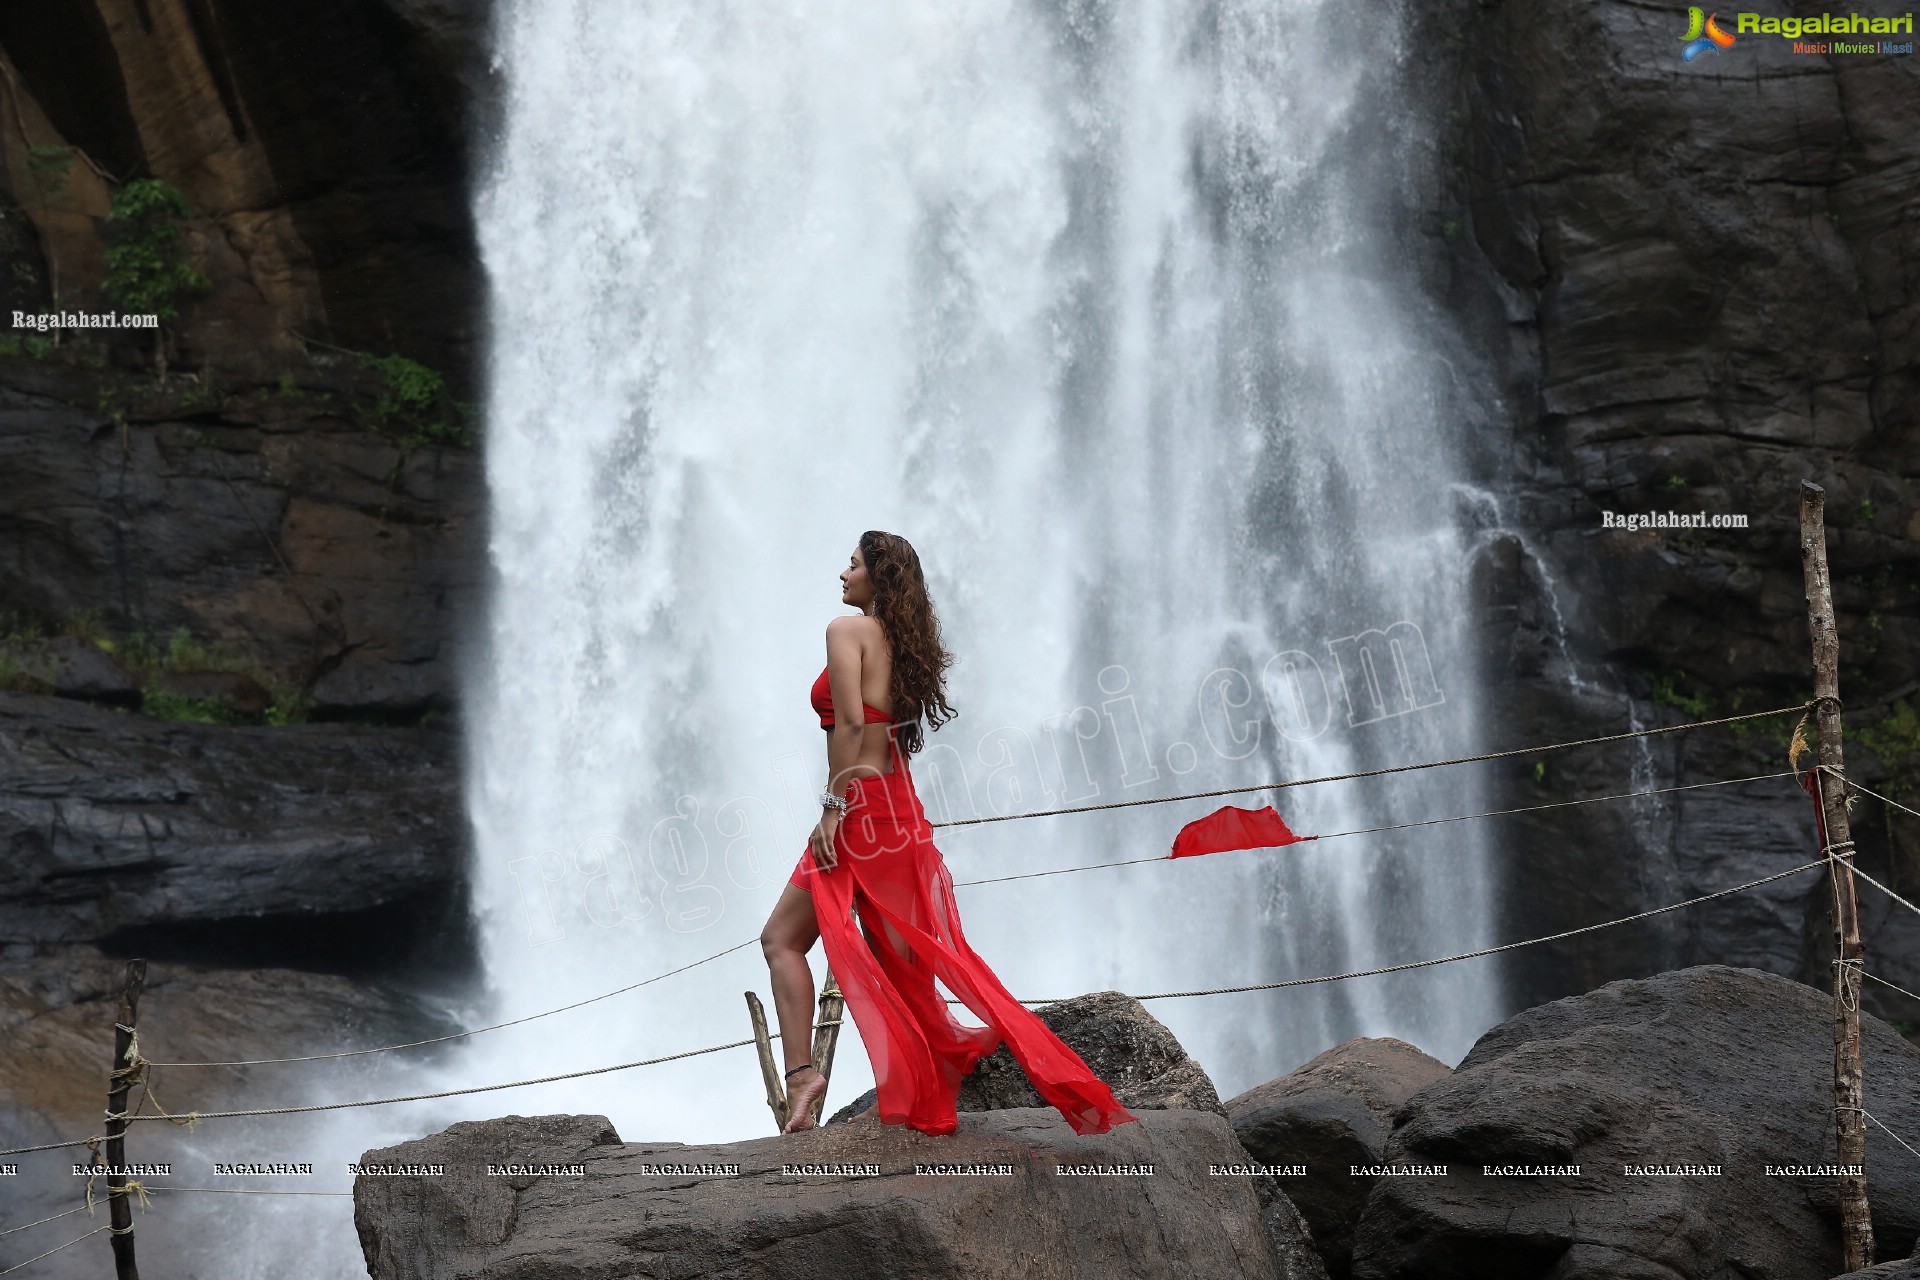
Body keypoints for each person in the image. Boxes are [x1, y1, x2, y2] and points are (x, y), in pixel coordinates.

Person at [758, 530, 1136, 1137]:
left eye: (852, 565)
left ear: (878, 578)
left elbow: (852, 723)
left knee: (780, 940)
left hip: (856, 809)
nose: (842, 574)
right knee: (910, 972)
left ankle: (804, 1074)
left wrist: (831, 808)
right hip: (900, 816)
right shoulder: (906, 645)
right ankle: (938, 1085)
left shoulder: (844, 631)